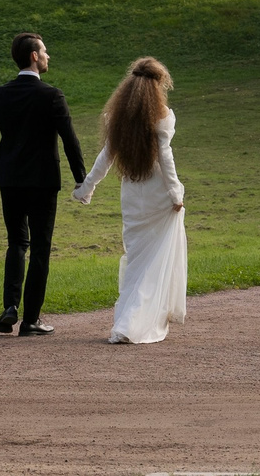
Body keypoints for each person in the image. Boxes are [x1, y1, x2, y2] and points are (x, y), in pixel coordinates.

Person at [0, 31, 86, 337]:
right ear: (34, 56)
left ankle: (10, 307)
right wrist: (82, 180)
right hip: (42, 182)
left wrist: (7, 158)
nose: (48, 56)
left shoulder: (1, 94)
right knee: (40, 249)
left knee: (16, 243)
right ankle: (31, 320)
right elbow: (70, 142)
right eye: (45, 52)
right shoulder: (51, 95)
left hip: (9, 181)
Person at [71, 56, 188, 345]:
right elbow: (166, 158)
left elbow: (105, 159)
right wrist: (176, 193)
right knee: (154, 261)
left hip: (133, 196)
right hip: (158, 195)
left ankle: (127, 321)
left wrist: (86, 188)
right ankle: (136, 322)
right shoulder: (162, 116)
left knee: (137, 260)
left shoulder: (117, 118)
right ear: (158, 85)